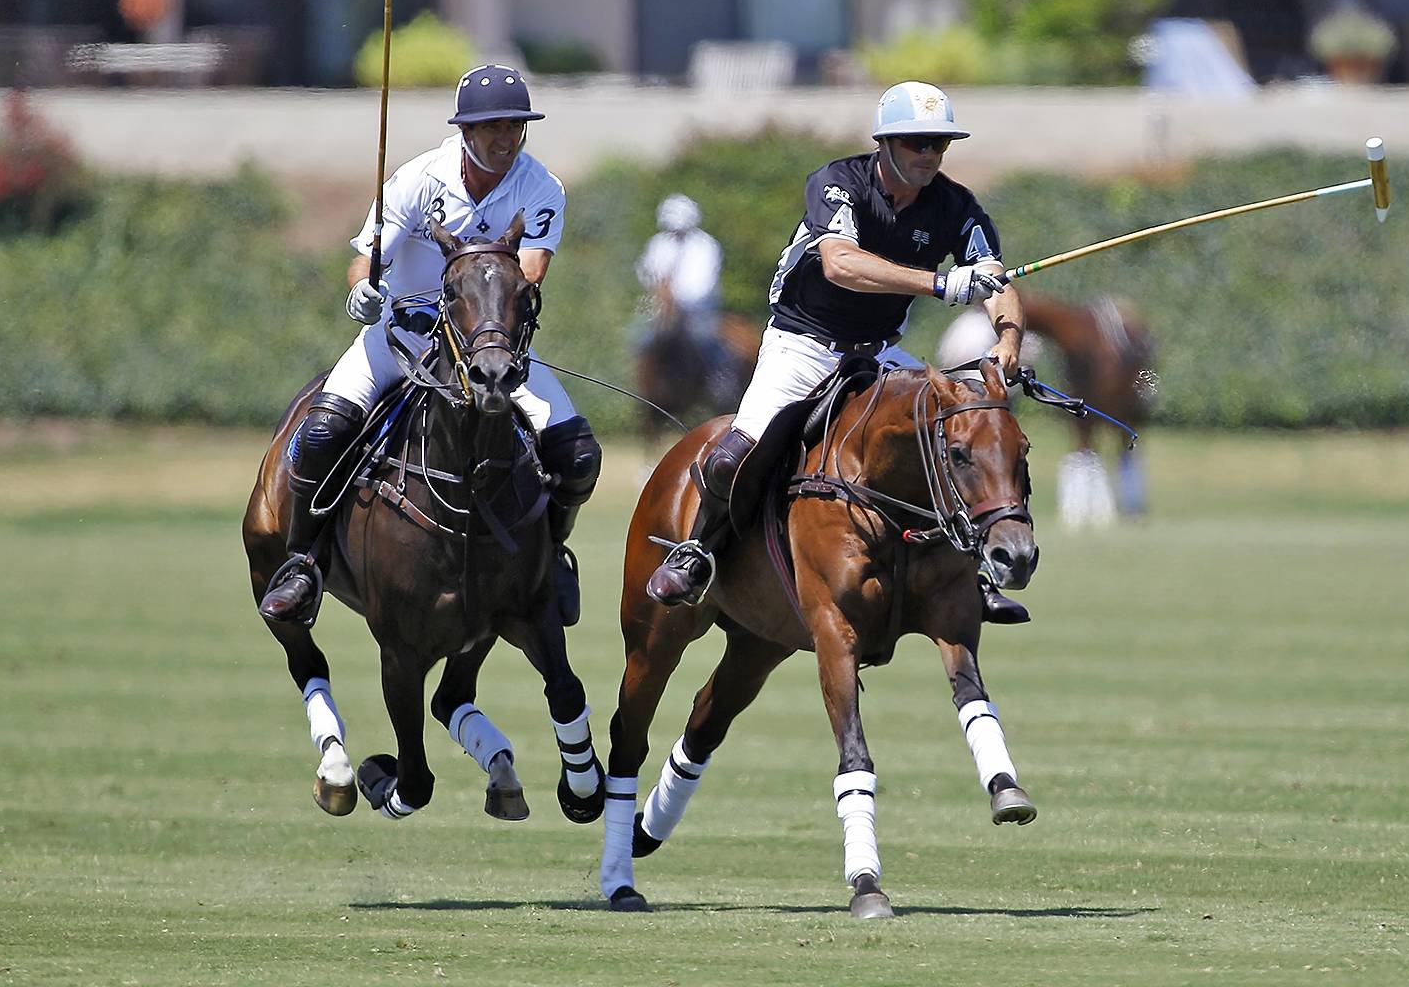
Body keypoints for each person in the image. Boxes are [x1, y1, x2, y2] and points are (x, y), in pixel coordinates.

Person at [645, 80, 1031, 623]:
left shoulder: (955, 206)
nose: (928, 154)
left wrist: (1008, 338)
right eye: (916, 142)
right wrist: (940, 284)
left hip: (878, 355)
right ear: (885, 144)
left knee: (959, 436)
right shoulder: (838, 183)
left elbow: (996, 280)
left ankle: (971, 574)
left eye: (939, 143)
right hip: (802, 346)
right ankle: (697, 551)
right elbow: (840, 263)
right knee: (735, 453)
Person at [257, 64, 601, 628]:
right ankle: (303, 562)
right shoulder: (418, 180)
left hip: (486, 347)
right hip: (398, 336)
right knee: (322, 434)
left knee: (578, 455)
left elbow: (530, 271)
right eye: (492, 127)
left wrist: (477, 318)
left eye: (514, 126)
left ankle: (551, 557)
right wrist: (363, 293)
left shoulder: (541, 188)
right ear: (465, 132)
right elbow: (366, 262)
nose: (506, 138)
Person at [635, 193, 728, 393]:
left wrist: (680, 300)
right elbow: (646, 271)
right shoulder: (658, 244)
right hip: (663, 308)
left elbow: (705, 282)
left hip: (698, 309)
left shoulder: (705, 245)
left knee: (705, 339)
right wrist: (658, 295)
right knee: (638, 337)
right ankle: (644, 387)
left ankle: (718, 382)